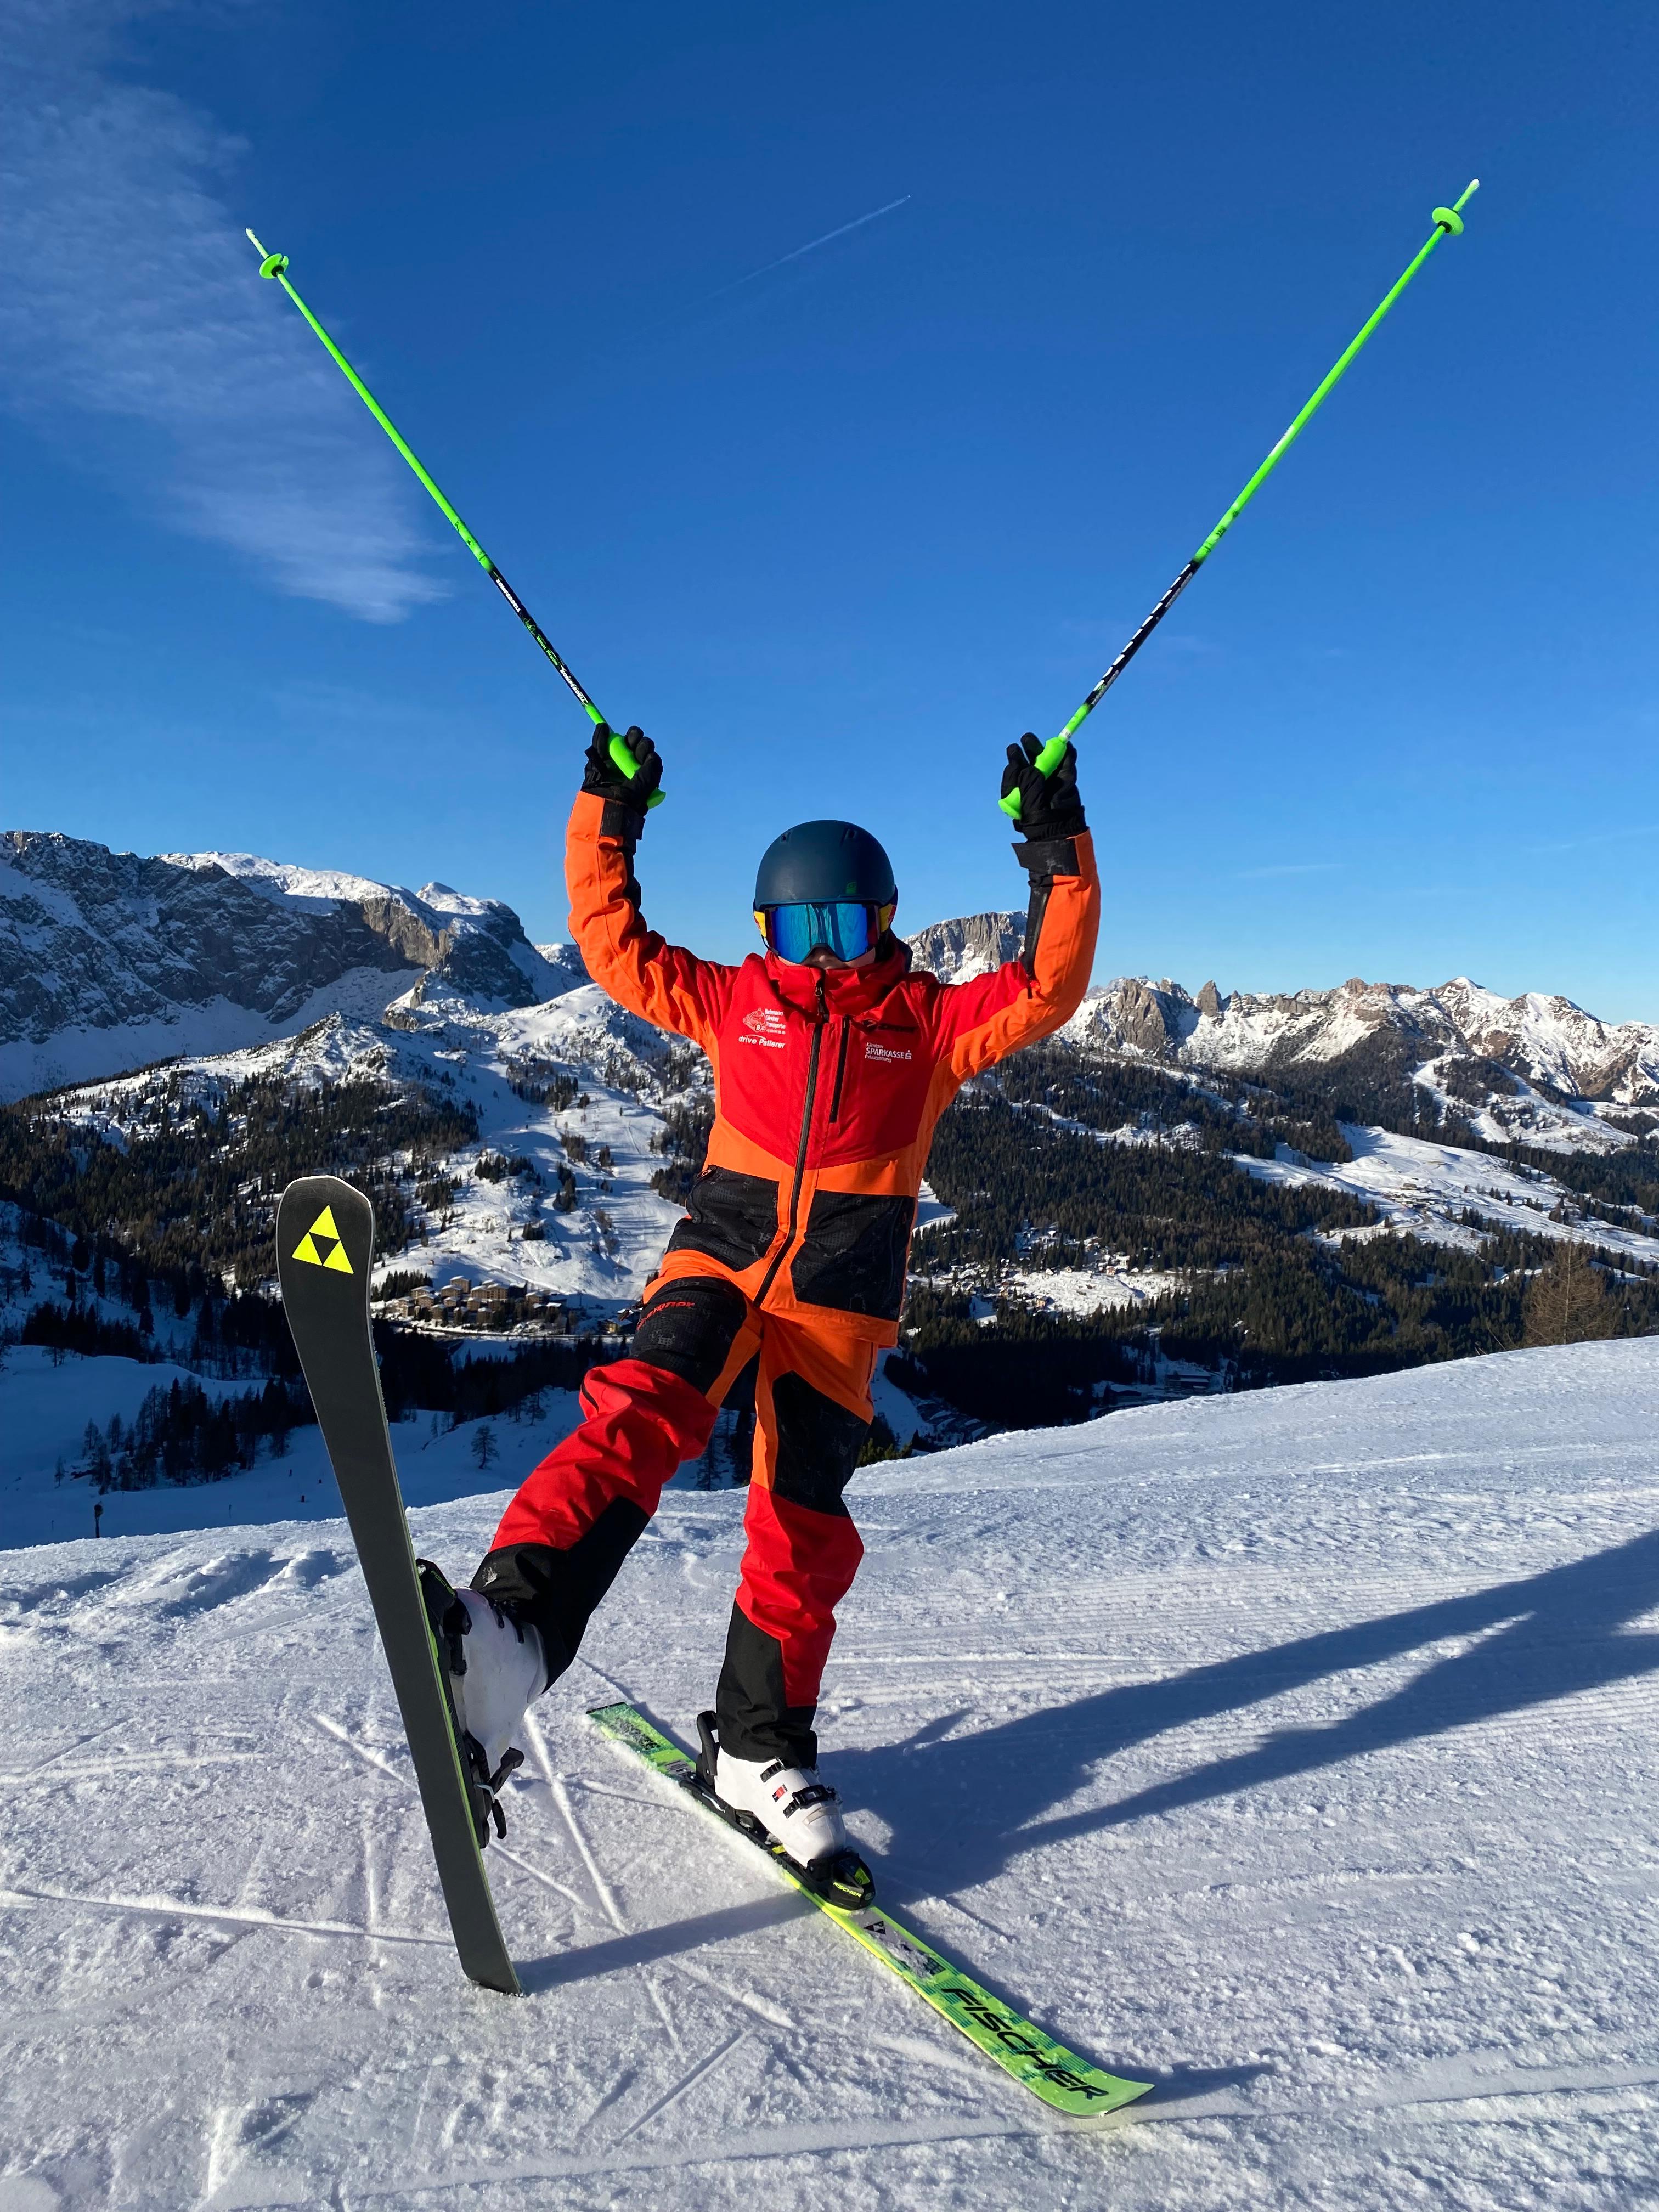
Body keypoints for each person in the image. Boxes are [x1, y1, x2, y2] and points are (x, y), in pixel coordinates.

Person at [426, 722, 1099, 1890]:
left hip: (838, 1305)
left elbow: (1046, 987)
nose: (824, 955)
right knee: (638, 1417)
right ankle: (507, 1637)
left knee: (801, 1530)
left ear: (883, 924)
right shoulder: (738, 1003)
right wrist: (611, 816)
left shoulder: (930, 1025)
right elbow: (612, 943)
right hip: (724, 1260)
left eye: (843, 929)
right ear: (764, 934)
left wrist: (1053, 844)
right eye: (799, 931)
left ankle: (757, 1752)